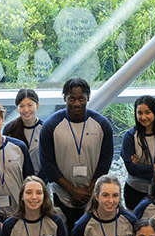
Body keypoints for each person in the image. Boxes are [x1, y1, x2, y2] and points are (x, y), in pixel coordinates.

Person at [38, 78, 117, 218]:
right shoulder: (50, 126)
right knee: (64, 234)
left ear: (88, 98)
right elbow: (47, 163)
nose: (76, 103)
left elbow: (105, 160)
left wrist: (91, 188)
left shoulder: (102, 125)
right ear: (64, 98)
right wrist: (72, 190)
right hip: (62, 194)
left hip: (93, 194)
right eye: (72, 98)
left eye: (81, 98)